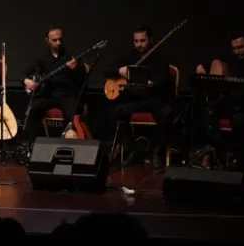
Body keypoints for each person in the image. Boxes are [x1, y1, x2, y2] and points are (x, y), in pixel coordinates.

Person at [195, 34, 244, 170]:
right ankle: (214, 153)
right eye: (234, 48)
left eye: (240, 47)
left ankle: (239, 160)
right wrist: (202, 65)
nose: (237, 52)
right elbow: (215, 60)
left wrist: (233, 94)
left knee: (239, 119)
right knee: (209, 111)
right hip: (233, 105)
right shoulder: (232, 59)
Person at [105, 26, 175, 168]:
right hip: (137, 99)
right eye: (136, 41)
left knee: (165, 114)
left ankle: (157, 153)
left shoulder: (160, 57)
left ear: (150, 39)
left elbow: (164, 78)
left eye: (142, 41)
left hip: (155, 98)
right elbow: (107, 71)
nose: (139, 44)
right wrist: (119, 70)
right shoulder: (130, 56)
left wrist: (152, 83)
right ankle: (132, 151)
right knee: (117, 112)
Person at [23, 27, 88, 144]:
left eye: (60, 39)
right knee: (33, 110)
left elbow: (83, 78)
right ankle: (34, 145)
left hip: (67, 95)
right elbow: (24, 74)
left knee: (73, 113)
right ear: (47, 40)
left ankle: (70, 144)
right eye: (54, 40)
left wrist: (76, 69)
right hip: (47, 94)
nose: (58, 43)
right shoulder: (41, 57)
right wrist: (26, 81)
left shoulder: (71, 56)